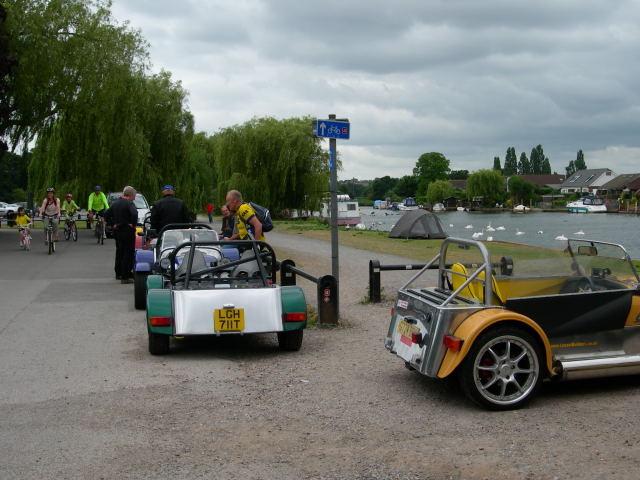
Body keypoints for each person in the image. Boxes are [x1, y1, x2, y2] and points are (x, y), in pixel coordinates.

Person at [108, 186, 138, 283]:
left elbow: (106, 214)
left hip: (117, 231)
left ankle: (118, 273)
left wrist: (112, 224)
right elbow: (134, 214)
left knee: (119, 251)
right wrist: (133, 224)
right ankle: (126, 276)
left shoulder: (115, 203)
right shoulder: (130, 204)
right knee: (128, 253)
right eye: (134, 196)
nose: (134, 198)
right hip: (127, 230)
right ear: (130, 195)